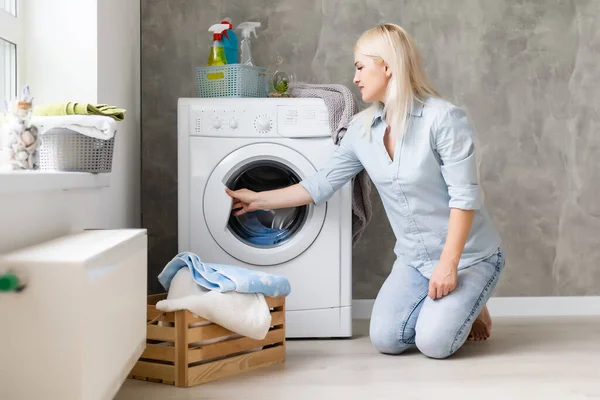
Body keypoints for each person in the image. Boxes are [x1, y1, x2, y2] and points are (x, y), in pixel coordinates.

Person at [225, 23, 504, 359]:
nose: (355, 78)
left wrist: (449, 266)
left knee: (435, 344)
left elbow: (464, 198)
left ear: (387, 66)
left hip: (468, 256)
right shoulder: (361, 130)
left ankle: (472, 302)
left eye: (360, 67)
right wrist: (256, 199)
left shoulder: (442, 119)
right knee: (387, 339)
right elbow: (320, 184)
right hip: (415, 260)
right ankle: (455, 307)